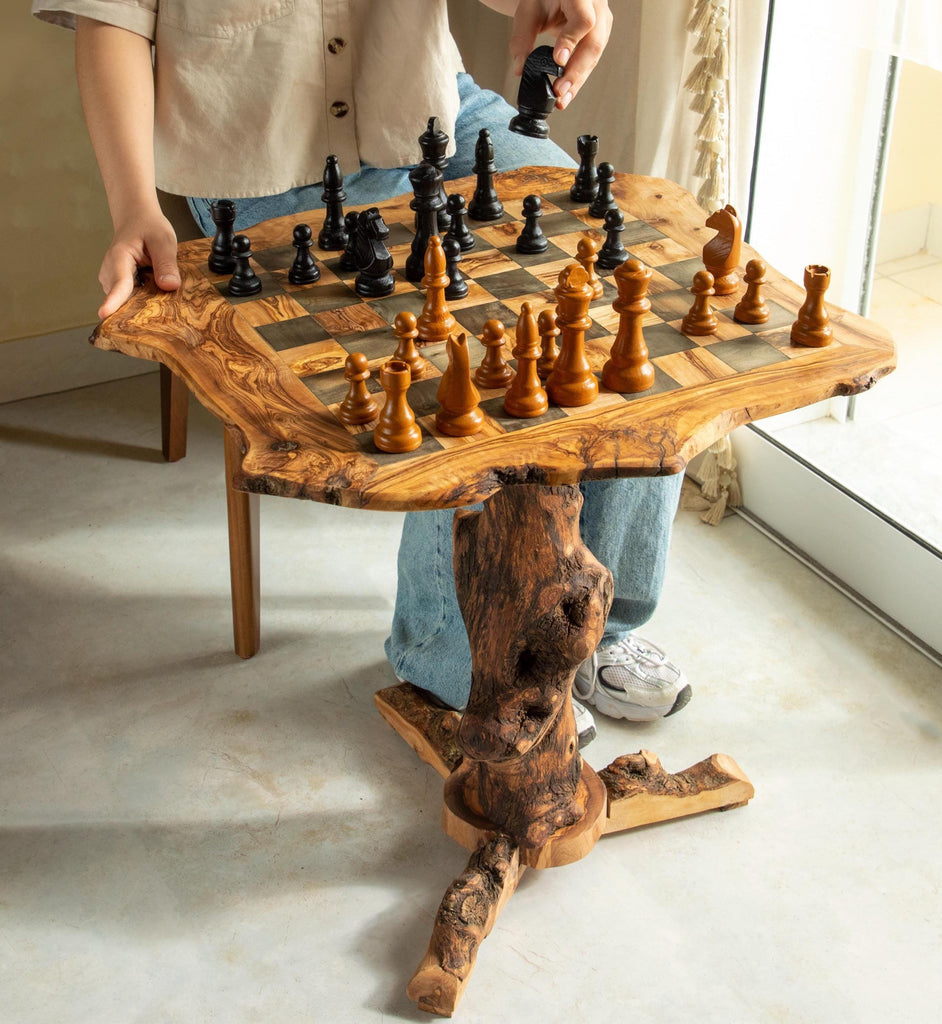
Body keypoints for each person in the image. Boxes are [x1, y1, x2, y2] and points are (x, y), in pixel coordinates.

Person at [34, 0, 690, 743]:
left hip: (432, 115)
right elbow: (110, 21)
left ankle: (600, 626)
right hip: (258, 160)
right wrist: (131, 206)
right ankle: (453, 659)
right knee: (453, 333)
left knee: (627, 277)